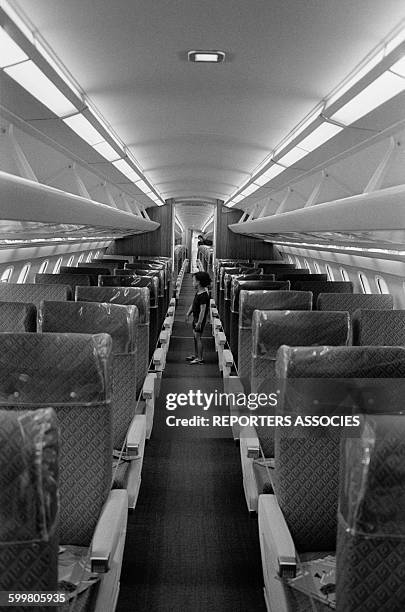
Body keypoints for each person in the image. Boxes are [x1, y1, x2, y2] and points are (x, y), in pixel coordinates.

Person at [185, 271, 211, 364]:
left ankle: (200, 358)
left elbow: (203, 310)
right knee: (195, 337)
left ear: (198, 282)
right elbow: (193, 304)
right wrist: (188, 313)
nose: (192, 282)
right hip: (195, 318)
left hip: (199, 320)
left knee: (198, 337)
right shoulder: (198, 292)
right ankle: (196, 355)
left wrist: (199, 322)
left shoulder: (204, 295)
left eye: (193, 280)